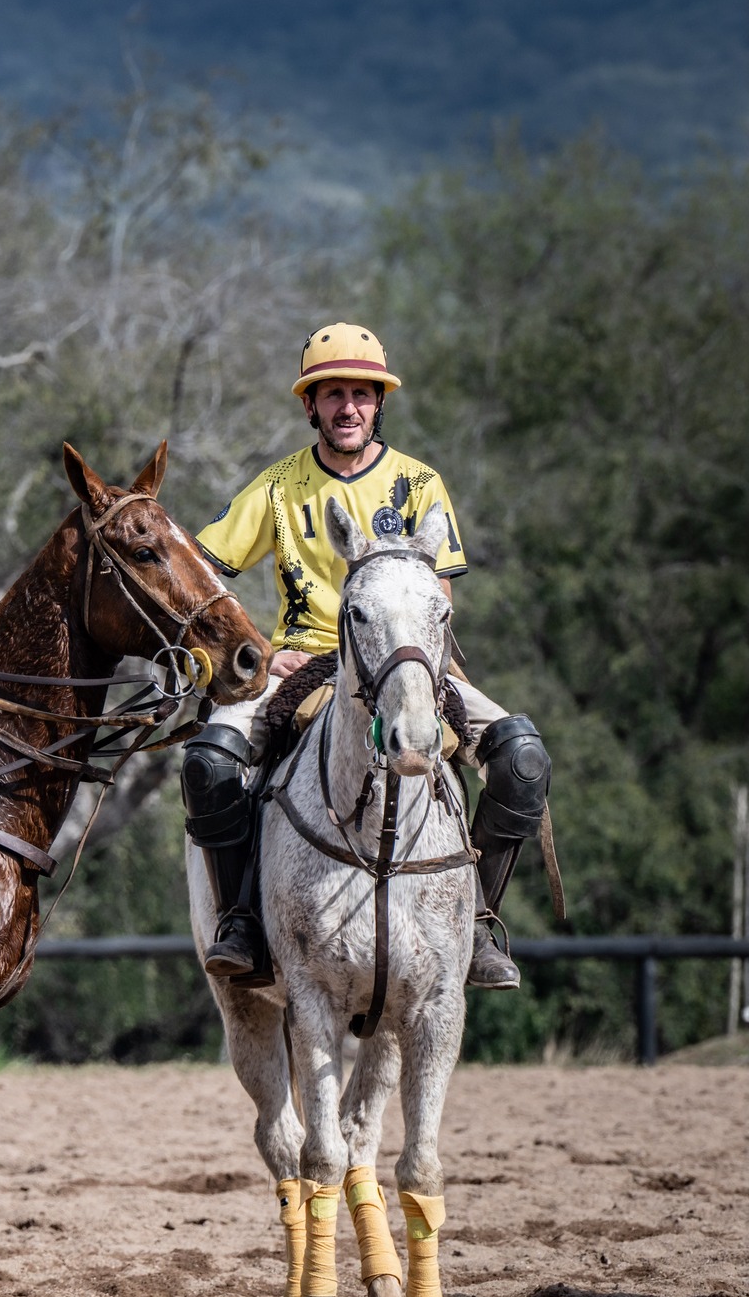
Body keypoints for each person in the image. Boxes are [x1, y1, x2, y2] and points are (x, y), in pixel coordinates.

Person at [181, 323, 549, 992]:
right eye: (333, 395)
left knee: (522, 760)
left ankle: (476, 928)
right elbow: (197, 575)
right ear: (310, 406)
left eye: (362, 394)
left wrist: (417, 671)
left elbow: (437, 598)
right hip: (305, 665)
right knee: (207, 763)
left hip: (409, 665)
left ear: (379, 403)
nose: (348, 408)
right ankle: (240, 918)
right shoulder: (278, 488)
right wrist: (260, 653)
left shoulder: (418, 483)